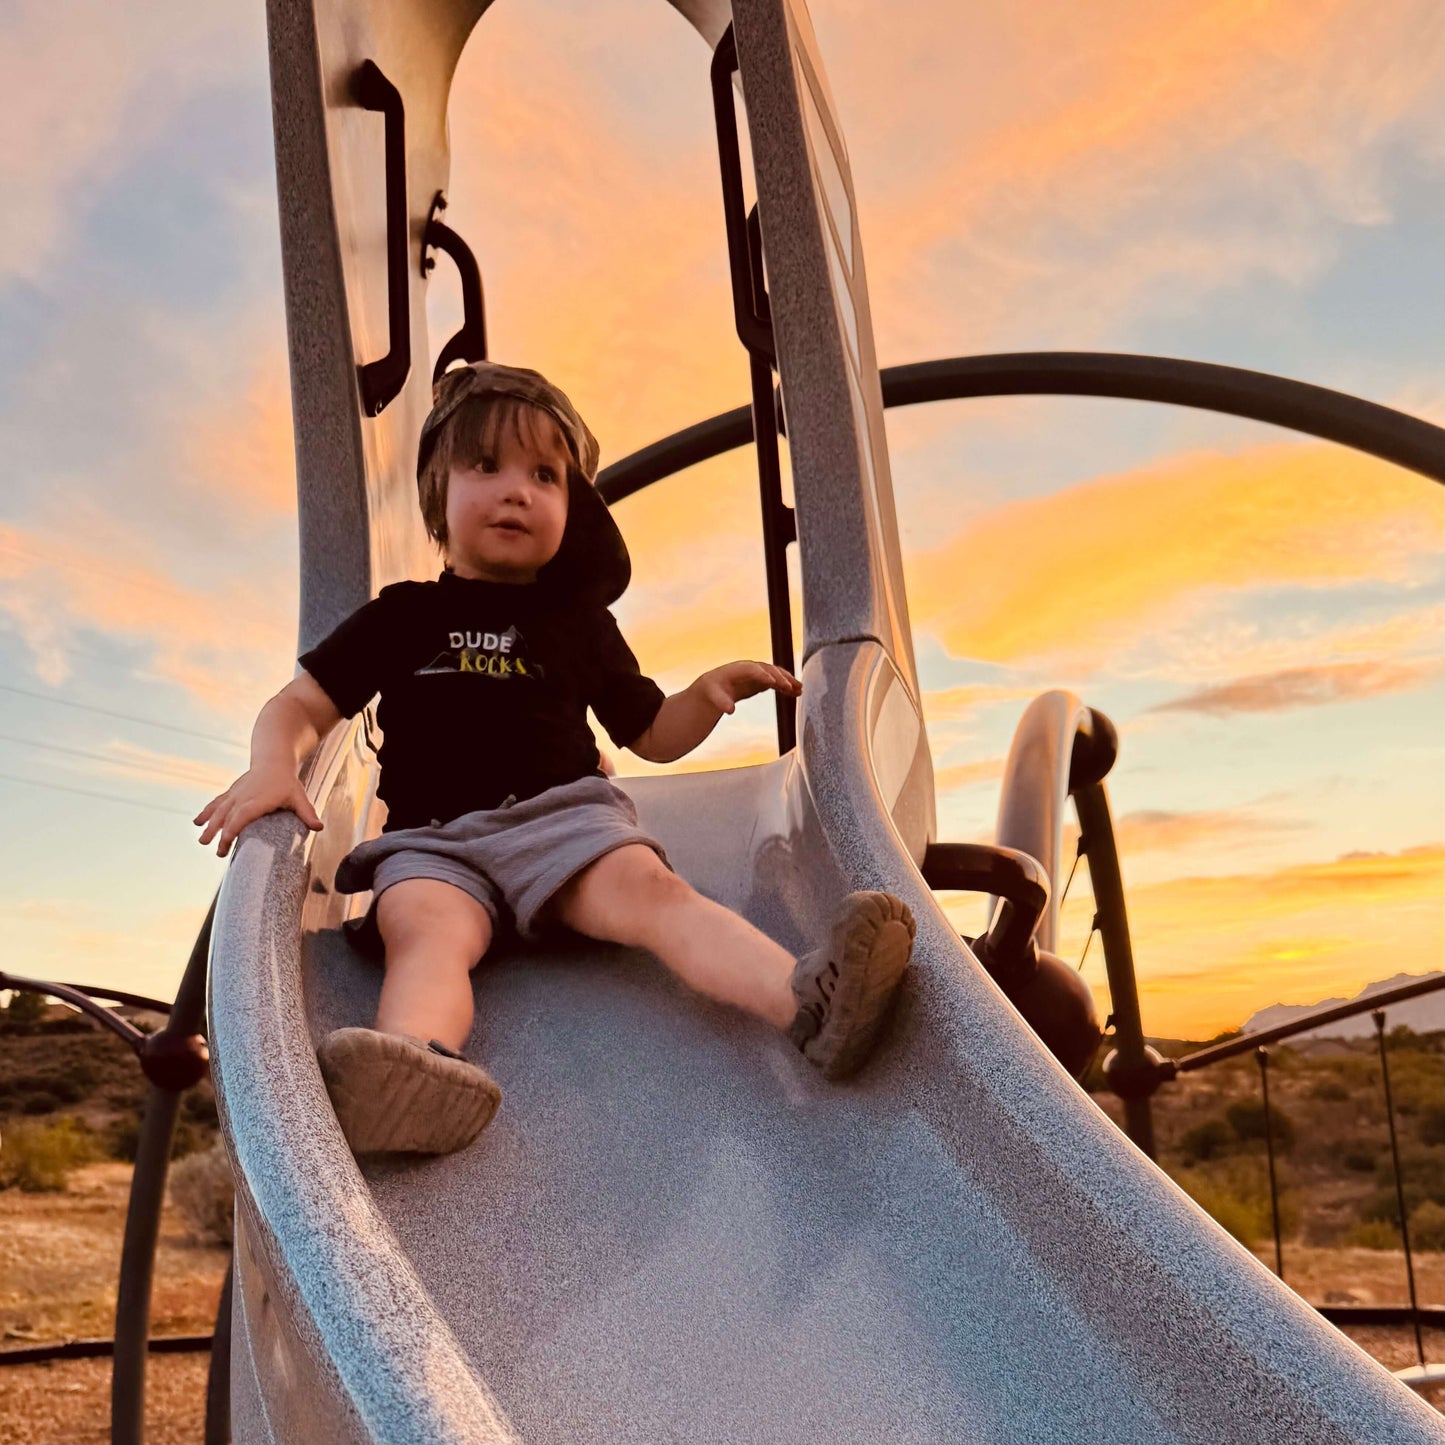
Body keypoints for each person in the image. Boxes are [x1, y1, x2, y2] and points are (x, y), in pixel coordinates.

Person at [194, 362, 915, 1156]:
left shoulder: (577, 623)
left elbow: (649, 732)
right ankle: (414, 1070)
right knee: (424, 929)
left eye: (545, 475)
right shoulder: (402, 615)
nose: (517, 490)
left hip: (564, 824)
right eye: (486, 467)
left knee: (656, 893)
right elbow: (299, 705)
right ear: (438, 493)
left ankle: (806, 1002)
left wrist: (703, 697)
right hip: (434, 841)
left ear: (572, 509)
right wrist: (273, 763)